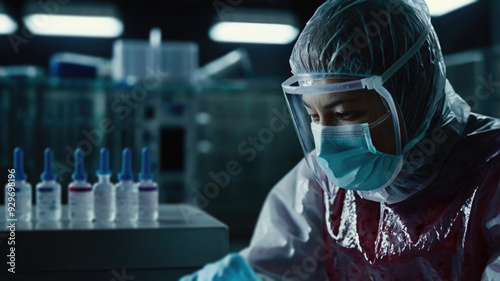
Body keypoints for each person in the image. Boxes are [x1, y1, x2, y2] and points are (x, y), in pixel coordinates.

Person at [181, 0, 500, 280]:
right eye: (314, 117)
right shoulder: (325, 185)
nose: (328, 143)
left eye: (345, 115)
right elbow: (263, 271)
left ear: (410, 98)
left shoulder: (490, 178)